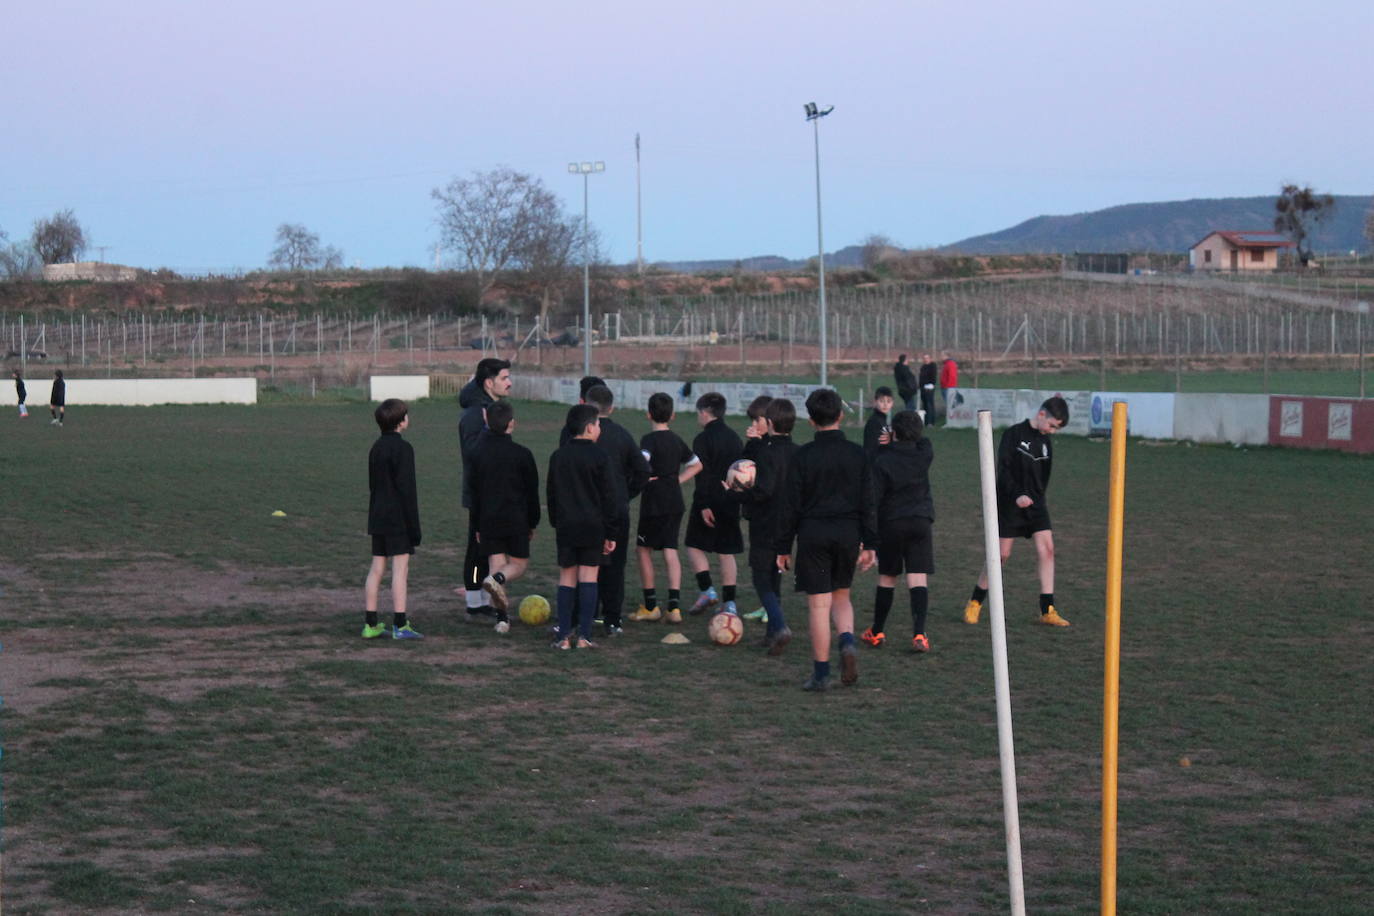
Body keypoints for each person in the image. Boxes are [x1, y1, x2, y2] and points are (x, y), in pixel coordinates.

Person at [775, 388, 877, 691]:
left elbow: (790, 505)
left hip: (813, 534)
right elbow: (868, 502)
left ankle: (821, 674)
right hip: (848, 533)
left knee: (819, 606)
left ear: (810, 420)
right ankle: (847, 642)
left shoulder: (802, 456)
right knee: (842, 596)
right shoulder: (858, 454)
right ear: (841, 416)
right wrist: (870, 543)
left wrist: (783, 546)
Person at [963, 396, 1071, 627]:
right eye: (1052, 425)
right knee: (1000, 555)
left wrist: (1037, 498)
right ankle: (975, 601)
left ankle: (1047, 609)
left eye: (1056, 429)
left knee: (1048, 550)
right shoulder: (1014, 434)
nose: (1052, 431)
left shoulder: (1045, 442)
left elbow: (1044, 475)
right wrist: (1016, 495)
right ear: (1042, 414)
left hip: (1036, 505)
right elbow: (1002, 471)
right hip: (1010, 503)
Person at [861, 410, 936, 652]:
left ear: (893, 432)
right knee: (917, 576)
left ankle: (877, 631)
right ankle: (920, 634)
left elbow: (874, 497)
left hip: (892, 522)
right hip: (920, 520)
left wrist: (886, 445)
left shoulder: (883, 459)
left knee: (888, 577)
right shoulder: (923, 453)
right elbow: (925, 441)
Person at [546, 404, 618, 649]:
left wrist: (557, 522)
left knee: (567, 578)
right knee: (589, 576)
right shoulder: (600, 456)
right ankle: (585, 637)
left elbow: (551, 494)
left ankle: (563, 636)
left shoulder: (559, 456)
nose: (600, 428)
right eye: (598, 424)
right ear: (589, 428)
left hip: (566, 526)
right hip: (593, 527)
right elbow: (609, 497)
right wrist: (611, 532)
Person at [582, 384, 650, 635]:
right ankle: (613, 619)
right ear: (612, 407)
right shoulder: (622, 435)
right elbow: (643, 470)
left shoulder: (575, 434)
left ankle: (585, 615)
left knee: (585, 563)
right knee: (614, 564)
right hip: (616, 511)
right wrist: (626, 494)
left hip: (585, 509)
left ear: (586, 405)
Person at [734, 397, 799, 654]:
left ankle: (780, 626)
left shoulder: (765, 451)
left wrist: (734, 494)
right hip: (788, 524)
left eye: (757, 420)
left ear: (769, 422)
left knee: (761, 578)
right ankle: (772, 633)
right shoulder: (797, 451)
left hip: (765, 522)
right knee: (775, 575)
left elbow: (758, 487)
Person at [469, 400, 540, 634]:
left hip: (488, 519)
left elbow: (474, 493)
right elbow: (532, 492)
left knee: (495, 564)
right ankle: (498, 578)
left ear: (487, 421)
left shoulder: (477, 452)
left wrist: (477, 524)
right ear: (512, 423)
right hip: (516, 518)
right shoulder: (523, 454)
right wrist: (533, 521)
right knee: (517, 566)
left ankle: (502, 620)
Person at [633, 392, 702, 625]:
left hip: (654, 502)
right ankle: (674, 608)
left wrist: (645, 478)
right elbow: (696, 464)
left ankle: (651, 606)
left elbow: (641, 463)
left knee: (643, 549)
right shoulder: (676, 440)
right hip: (675, 500)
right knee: (670, 550)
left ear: (648, 414)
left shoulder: (648, 440)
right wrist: (677, 480)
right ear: (672, 415)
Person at [458, 357, 512, 622]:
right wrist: (489, 430)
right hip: (482, 492)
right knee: (479, 547)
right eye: (504, 378)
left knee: (484, 547)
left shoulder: (489, 407)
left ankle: (479, 600)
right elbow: (472, 454)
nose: (509, 383)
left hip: (495, 491)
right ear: (489, 383)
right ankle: (475, 602)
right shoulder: (474, 414)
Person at [364, 398, 423, 640]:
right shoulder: (404, 449)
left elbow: (373, 485)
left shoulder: (376, 447)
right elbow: (407, 490)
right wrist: (414, 527)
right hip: (398, 518)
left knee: (377, 568)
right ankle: (400, 624)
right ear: (401, 422)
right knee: (400, 570)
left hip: (377, 515)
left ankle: (371, 623)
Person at [684, 392, 744, 616]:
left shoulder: (702, 439)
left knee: (693, 545)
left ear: (704, 412)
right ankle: (729, 603)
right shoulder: (734, 437)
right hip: (730, 500)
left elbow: (702, 475)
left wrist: (703, 505)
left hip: (709, 499)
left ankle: (707, 590)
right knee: (726, 552)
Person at [863, 387, 894, 459]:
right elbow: (871, 447)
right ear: (875, 402)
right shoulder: (874, 422)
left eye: (888, 401)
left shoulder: (883, 420)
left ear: (892, 403)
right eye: (882, 401)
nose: (885, 404)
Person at [939, 351, 959, 423]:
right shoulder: (946, 364)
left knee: (950, 405)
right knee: (949, 405)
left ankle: (952, 421)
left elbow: (952, 377)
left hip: (948, 388)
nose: (940, 357)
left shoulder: (950, 364)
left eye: (942, 356)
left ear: (946, 356)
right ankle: (950, 420)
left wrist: (949, 388)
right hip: (945, 387)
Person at [918, 354, 938, 424]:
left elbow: (933, 378)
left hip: (929, 388)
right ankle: (926, 421)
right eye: (924, 358)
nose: (925, 359)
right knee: (925, 404)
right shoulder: (923, 367)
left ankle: (931, 421)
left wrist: (930, 384)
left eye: (927, 358)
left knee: (930, 404)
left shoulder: (932, 366)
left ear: (930, 358)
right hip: (922, 388)